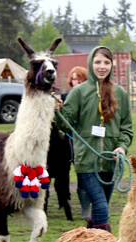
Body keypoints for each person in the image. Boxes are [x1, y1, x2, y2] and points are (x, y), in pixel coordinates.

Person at [55, 46, 133, 233]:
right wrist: (59, 113)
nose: (102, 66)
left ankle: (91, 240)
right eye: (98, 62)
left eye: (106, 62)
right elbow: (66, 126)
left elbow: (127, 128)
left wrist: (121, 147)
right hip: (87, 162)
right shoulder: (79, 92)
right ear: (91, 63)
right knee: (101, 206)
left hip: (111, 162)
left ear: (111, 65)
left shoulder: (120, 93)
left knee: (102, 206)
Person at [45, 66, 88, 221]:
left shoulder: (88, 97)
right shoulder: (64, 97)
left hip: (83, 138)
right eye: (74, 79)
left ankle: (84, 204)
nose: (76, 82)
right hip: (67, 139)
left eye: (79, 79)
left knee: (82, 172)